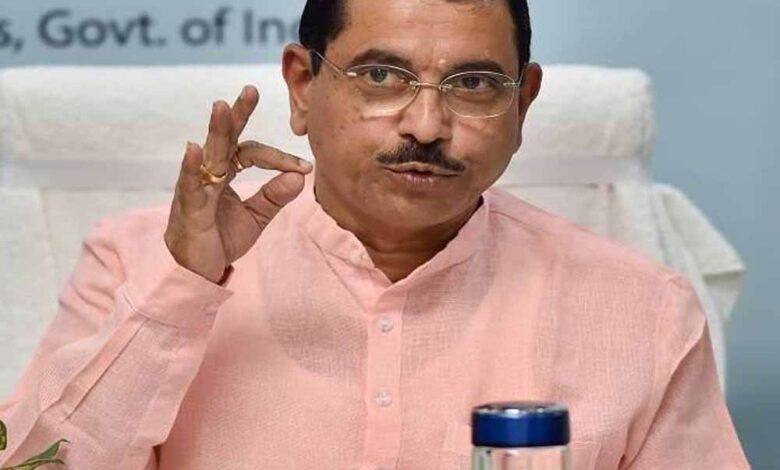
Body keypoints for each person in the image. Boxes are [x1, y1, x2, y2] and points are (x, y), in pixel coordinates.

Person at [0, 0, 750, 469]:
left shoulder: (641, 310)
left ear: (522, 104)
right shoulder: (137, 264)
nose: (426, 125)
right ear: (302, 87)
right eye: (382, 76)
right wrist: (181, 293)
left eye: (474, 85)